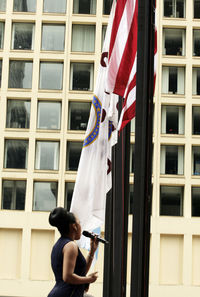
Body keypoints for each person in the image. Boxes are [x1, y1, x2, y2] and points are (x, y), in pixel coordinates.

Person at [48, 207, 99, 297]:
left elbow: (80, 272)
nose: (81, 227)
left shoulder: (59, 245)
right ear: (74, 226)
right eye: (79, 223)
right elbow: (68, 277)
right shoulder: (71, 246)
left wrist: (92, 251)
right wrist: (88, 279)